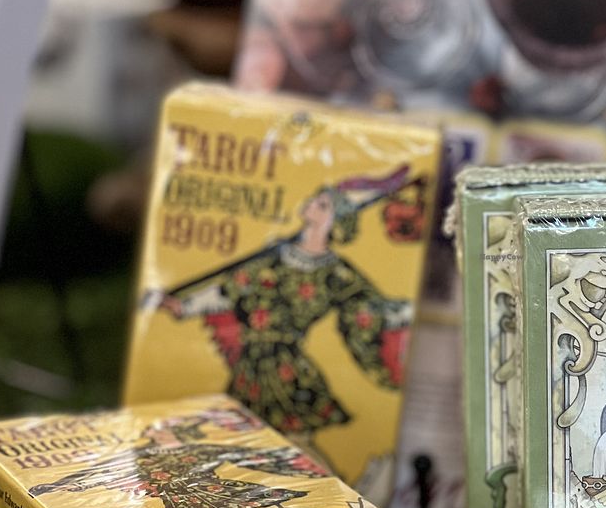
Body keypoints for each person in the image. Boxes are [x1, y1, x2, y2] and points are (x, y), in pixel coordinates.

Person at [159, 175, 416, 444]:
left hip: (287, 367)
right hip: (250, 366)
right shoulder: (275, 255)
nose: (312, 203)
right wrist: (183, 306)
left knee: (294, 444)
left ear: (334, 222)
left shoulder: (336, 273)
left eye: (323, 205)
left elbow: (370, 304)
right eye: (316, 199)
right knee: (242, 443)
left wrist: (405, 314)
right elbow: (230, 290)